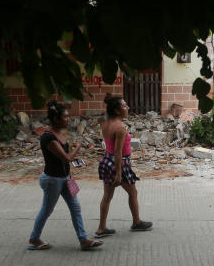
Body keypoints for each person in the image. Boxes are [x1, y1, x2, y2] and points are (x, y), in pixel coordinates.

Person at [28, 100, 103, 251]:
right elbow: (66, 157)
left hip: (65, 178)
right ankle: (34, 238)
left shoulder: (60, 134)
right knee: (47, 210)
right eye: (65, 117)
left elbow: (65, 158)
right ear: (56, 119)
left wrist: (76, 160)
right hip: (53, 180)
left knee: (75, 208)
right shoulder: (48, 137)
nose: (68, 119)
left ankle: (83, 240)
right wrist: (77, 148)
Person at [96, 94, 151, 236]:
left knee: (107, 196)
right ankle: (137, 222)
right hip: (119, 163)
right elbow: (118, 152)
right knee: (133, 192)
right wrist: (119, 173)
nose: (128, 107)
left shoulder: (106, 123)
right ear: (117, 111)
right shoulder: (120, 128)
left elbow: (111, 149)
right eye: (124, 105)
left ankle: (101, 228)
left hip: (107, 161)